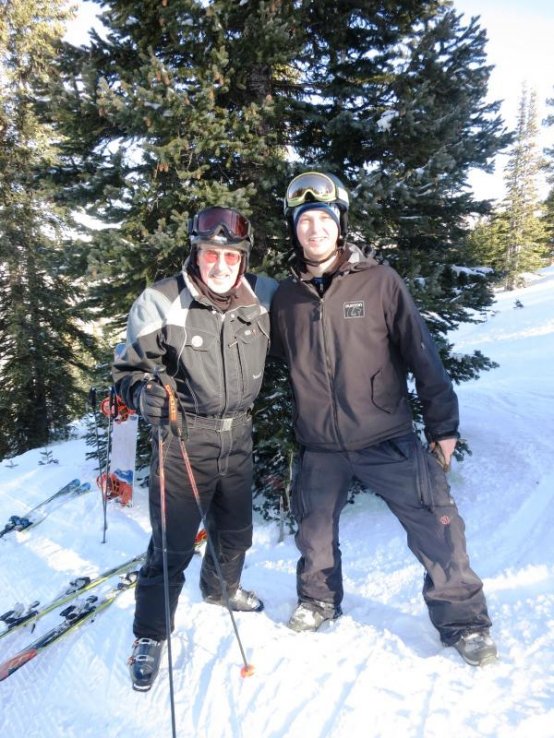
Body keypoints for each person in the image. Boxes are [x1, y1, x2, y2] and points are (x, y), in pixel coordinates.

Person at [270, 171, 497, 667]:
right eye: (304, 221)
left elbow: (421, 353)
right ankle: (318, 600)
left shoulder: (379, 282)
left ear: (339, 224)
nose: (314, 229)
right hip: (320, 444)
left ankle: (463, 622)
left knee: (438, 527)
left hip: (386, 436)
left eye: (323, 219)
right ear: (294, 228)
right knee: (314, 534)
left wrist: (443, 426)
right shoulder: (285, 298)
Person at [113, 206, 278, 691]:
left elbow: (316, 316)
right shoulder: (162, 301)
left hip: (239, 434)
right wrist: (143, 394)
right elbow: (127, 371)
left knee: (236, 532)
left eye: (231, 256)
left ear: (243, 258)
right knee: (172, 546)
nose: (220, 265)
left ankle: (221, 589)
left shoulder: (265, 296)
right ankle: (149, 634)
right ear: (196, 252)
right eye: (211, 254)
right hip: (185, 438)